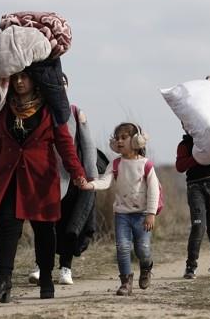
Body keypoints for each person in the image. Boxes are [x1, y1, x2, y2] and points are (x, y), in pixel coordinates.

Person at [0, 70, 87, 302]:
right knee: (7, 227)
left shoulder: (50, 110)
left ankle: (46, 278)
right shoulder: (4, 109)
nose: (19, 81)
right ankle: (3, 282)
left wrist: (77, 172)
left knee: (44, 231)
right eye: (16, 77)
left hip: (41, 180)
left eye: (25, 77)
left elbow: (65, 144)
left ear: (35, 80)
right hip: (9, 178)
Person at [28, 73, 98, 286]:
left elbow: (87, 146)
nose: (59, 87)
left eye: (63, 84)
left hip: (72, 178)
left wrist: (90, 177)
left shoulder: (75, 112)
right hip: (43, 179)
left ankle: (65, 268)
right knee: (45, 227)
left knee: (69, 226)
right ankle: (41, 266)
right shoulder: (37, 111)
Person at [81, 123, 159, 296]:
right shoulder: (115, 164)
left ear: (137, 140)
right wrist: (90, 185)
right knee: (123, 247)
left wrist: (151, 213)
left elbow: (154, 190)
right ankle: (126, 282)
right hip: (122, 215)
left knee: (143, 249)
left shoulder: (146, 165)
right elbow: (105, 182)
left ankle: (146, 267)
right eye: (117, 138)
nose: (120, 141)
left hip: (142, 215)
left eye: (124, 137)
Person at [176, 122, 210, 279]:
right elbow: (180, 166)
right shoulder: (184, 144)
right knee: (198, 226)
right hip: (194, 186)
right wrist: (197, 157)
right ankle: (191, 267)